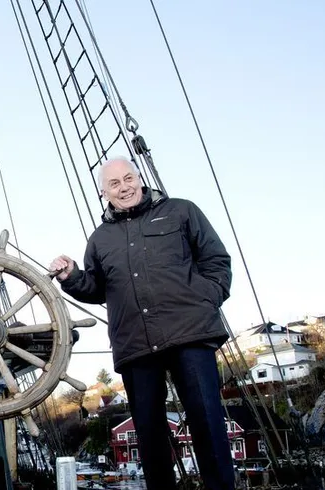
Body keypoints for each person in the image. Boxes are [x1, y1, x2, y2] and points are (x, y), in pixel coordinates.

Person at [49, 156, 234, 489]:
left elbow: (216, 259)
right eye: (115, 184)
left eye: (128, 178)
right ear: (103, 192)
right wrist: (72, 276)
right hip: (135, 342)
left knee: (207, 421)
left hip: (189, 331)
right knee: (149, 436)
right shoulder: (100, 239)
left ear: (139, 177)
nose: (125, 188)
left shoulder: (182, 211)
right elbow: (98, 288)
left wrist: (208, 296)